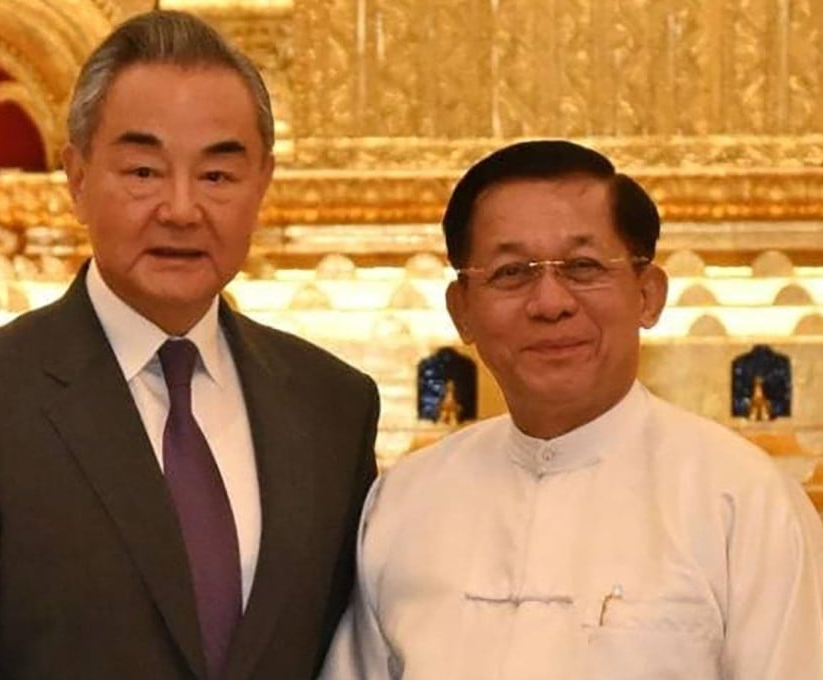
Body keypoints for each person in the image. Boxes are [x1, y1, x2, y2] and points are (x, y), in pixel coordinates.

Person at [0, 10, 379, 680]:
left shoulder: (332, 406)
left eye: (217, 176)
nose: (181, 209)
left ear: (263, 184)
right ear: (76, 178)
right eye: (143, 171)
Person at [322, 140, 823, 679]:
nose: (550, 303)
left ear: (647, 294)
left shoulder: (743, 501)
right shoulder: (406, 502)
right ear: (461, 310)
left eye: (584, 267)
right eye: (511, 273)